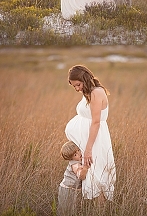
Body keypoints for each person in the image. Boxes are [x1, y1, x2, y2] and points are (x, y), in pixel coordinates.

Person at [64, 65, 116, 202]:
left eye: (78, 85)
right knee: (92, 175)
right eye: (74, 86)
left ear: (84, 79)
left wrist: (88, 150)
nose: (77, 89)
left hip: (95, 142)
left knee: (97, 177)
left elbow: (96, 122)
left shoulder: (96, 93)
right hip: (90, 141)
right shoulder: (89, 92)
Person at [57, 141, 87, 216]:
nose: (79, 153)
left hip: (74, 190)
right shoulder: (74, 164)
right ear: (71, 158)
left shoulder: (79, 160)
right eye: (75, 154)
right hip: (67, 190)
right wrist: (85, 168)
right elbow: (80, 175)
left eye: (78, 150)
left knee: (73, 209)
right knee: (65, 209)